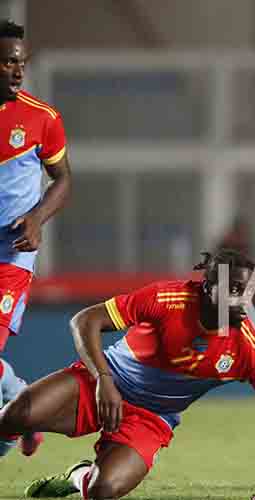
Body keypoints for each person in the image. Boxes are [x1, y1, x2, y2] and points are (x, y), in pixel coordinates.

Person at [0, 249, 255, 500]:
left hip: (151, 417)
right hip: (104, 381)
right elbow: (85, 320)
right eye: (233, 290)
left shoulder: (250, 349)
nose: (244, 300)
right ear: (207, 287)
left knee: (104, 490)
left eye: (248, 292)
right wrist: (104, 379)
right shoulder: (167, 299)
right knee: (12, 417)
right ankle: (23, 424)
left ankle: (77, 476)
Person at [0, 19, 72, 458]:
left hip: (12, 256)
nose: (18, 70)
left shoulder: (42, 118)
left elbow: (64, 179)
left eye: (21, 62)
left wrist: (37, 217)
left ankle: (8, 432)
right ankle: (23, 400)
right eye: (8, 62)